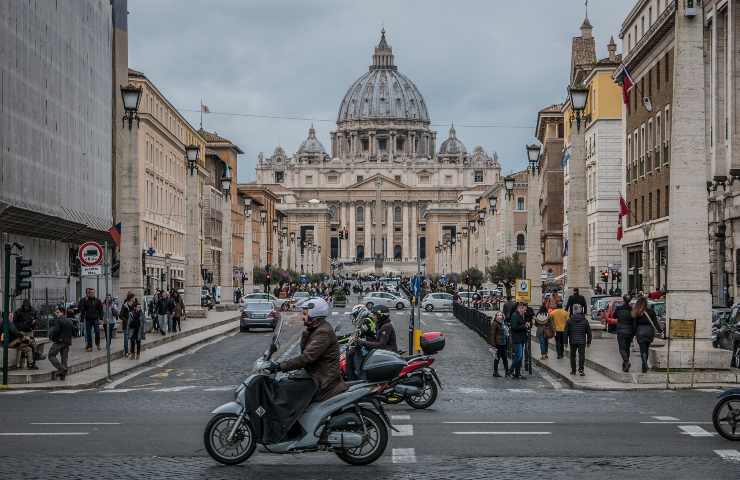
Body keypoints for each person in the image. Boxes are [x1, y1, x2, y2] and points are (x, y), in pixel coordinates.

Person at [268, 298, 347, 402]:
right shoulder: (314, 329)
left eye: (305, 314)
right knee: (284, 383)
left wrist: (279, 366)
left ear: (313, 316)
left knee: (286, 391)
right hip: (315, 374)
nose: (302, 317)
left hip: (323, 380)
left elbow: (306, 358)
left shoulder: (322, 332)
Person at [633, 296, 663, 373]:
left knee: (642, 349)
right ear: (646, 304)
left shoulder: (637, 312)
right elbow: (655, 323)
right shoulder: (651, 311)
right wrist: (660, 331)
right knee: (646, 348)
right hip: (649, 332)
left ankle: (644, 364)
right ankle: (644, 365)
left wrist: (634, 333)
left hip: (640, 332)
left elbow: (634, 324)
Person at [565, 304, 592, 376]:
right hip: (582, 341)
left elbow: (566, 332)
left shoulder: (569, 321)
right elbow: (589, 332)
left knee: (572, 356)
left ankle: (573, 370)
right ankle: (581, 370)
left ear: (573, 311)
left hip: (572, 341)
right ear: (580, 311)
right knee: (581, 355)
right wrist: (589, 341)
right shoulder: (585, 321)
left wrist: (565, 342)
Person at [48, 306, 74, 380]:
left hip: (59, 341)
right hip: (67, 342)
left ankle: (62, 369)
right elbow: (73, 330)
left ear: (62, 312)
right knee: (64, 358)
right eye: (56, 312)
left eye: (57, 312)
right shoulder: (69, 320)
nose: (56, 314)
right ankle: (63, 376)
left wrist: (52, 337)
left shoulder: (59, 320)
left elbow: (56, 330)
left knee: (51, 355)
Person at [615, 295, 635, 372]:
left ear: (623, 300)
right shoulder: (632, 310)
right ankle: (625, 365)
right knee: (627, 348)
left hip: (621, 330)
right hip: (629, 331)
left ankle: (626, 361)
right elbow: (634, 321)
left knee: (621, 348)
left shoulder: (618, 308)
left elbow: (615, 316)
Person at [509, 303, 529, 379]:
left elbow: (521, 325)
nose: (525, 310)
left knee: (520, 357)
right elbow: (514, 327)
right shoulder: (515, 315)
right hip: (517, 339)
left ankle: (517, 373)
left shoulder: (521, 315)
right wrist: (524, 326)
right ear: (520, 308)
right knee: (519, 356)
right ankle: (510, 370)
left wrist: (526, 325)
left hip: (522, 338)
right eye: (524, 309)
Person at [79, 288, 103, 352]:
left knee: (97, 332)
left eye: (93, 293)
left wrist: (101, 318)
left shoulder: (98, 300)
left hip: (95, 319)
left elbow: (100, 310)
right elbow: (83, 311)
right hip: (88, 319)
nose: (92, 294)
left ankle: (97, 344)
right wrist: (81, 320)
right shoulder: (85, 300)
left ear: (94, 293)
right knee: (88, 333)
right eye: (90, 293)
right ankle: (90, 346)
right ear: (89, 293)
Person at [490, 311, 509, 377]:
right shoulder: (495, 323)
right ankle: (495, 372)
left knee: (505, 358)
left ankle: (507, 372)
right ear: (496, 316)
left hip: (503, 343)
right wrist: (493, 344)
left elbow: (506, 333)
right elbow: (492, 334)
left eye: (500, 315)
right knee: (497, 358)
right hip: (498, 343)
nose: (499, 316)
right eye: (498, 315)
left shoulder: (503, 323)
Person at [119, 293, 135, 358]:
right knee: (126, 339)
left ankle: (131, 351)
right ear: (131, 298)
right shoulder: (125, 306)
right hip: (126, 325)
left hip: (132, 325)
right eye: (133, 297)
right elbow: (120, 316)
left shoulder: (134, 305)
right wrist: (126, 320)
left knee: (132, 338)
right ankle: (126, 352)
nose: (134, 299)